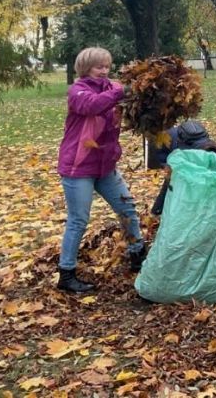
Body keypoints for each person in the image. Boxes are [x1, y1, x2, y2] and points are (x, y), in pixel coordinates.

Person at [56, 47, 145, 293]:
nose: (104, 71)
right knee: (78, 220)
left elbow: (130, 106)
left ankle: (138, 255)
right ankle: (66, 274)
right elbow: (93, 105)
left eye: (107, 66)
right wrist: (120, 92)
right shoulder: (77, 91)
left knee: (127, 209)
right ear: (86, 68)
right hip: (78, 167)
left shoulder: (112, 88)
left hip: (105, 166)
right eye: (99, 67)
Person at [150, 121, 216, 216]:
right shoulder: (176, 148)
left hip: (180, 148)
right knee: (173, 182)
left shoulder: (213, 151)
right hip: (165, 151)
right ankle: (157, 211)